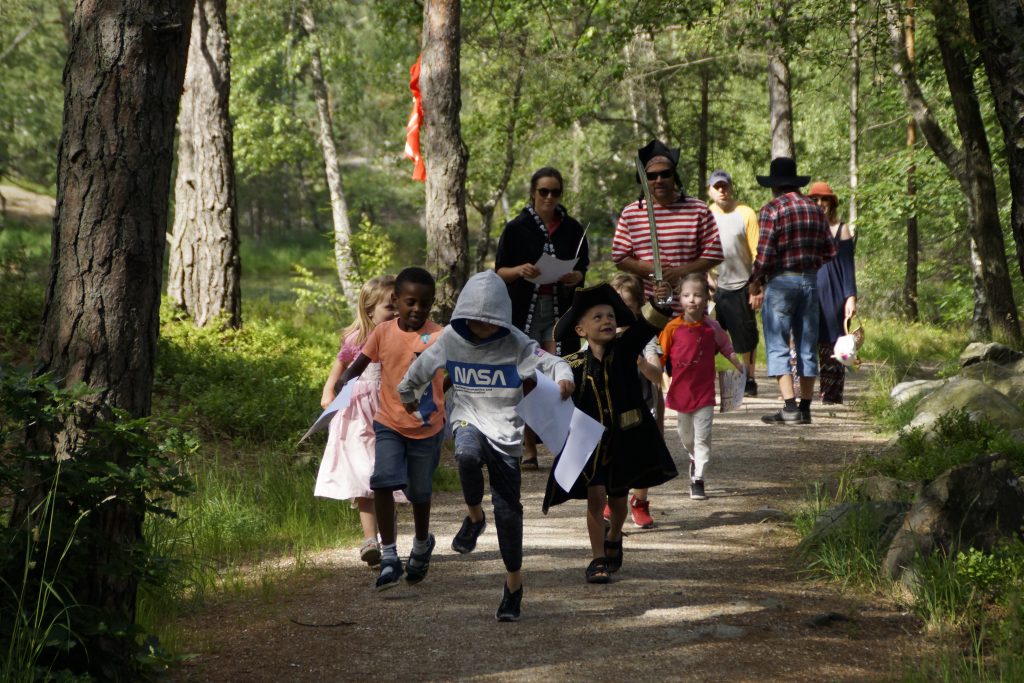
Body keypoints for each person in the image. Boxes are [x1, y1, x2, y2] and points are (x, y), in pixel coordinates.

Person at [398, 270, 574, 622]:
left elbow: (550, 361)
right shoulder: (451, 338)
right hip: (468, 417)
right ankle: (475, 516)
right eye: (475, 321)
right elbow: (422, 367)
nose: (481, 328)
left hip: (506, 434)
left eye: (489, 322)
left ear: (501, 321)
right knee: (465, 454)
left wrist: (564, 377)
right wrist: (407, 393)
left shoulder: (515, 342)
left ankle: (513, 585)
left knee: (509, 512)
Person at [543, 283, 677, 584]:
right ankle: (597, 558)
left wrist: (661, 299)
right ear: (580, 330)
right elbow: (548, 393)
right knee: (595, 497)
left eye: (610, 316)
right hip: (588, 445)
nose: (606, 321)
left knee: (617, 501)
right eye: (597, 317)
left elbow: (648, 323)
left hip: (624, 442)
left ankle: (615, 534)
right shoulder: (571, 365)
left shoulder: (626, 348)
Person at [335, 267, 446, 591]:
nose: (417, 310)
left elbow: (452, 372)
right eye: (410, 302)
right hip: (388, 423)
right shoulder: (382, 332)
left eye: (424, 304)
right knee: (382, 481)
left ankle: (422, 543)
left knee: (419, 493)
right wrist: (343, 384)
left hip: (426, 429)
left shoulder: (440, 336)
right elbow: (358, 364)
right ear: (396, 301)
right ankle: (389, 556)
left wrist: (438, 396)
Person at [495, 167, 589, 469]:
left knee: (561, 372)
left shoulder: (572, 229)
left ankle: (563, 442)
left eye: (555, 192)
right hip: (524, 312)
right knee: (528, 376)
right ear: (533, 193)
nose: (549, 197)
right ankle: (529, 446)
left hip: (561, 310)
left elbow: (581, 268)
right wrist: (520, 270)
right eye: (543, 192)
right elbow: (500, 272)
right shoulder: (516, 228)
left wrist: (576, 276)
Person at [315, 275, 400, 566]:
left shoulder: (400, 335)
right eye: (390, 307)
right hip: (357, 415)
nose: (397, 313)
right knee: (364, 477)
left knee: (386, 477)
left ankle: (390, 543)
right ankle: (369, 540)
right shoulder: (355, 339)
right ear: (369, 309)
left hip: (388, 411)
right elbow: (339, 365)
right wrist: (329, 390)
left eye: (399, 306)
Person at [748, 158, 836, 425]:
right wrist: (809, 266)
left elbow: (764, 255)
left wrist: (755, 281)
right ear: (795, 183)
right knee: (807, 346)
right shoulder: (815, 209)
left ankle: (789, 408)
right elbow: (830, 252)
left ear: (774, 186)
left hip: (781, 282)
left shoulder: (771, 210)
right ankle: (806, 408)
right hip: (810, 281)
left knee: (778, 345)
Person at [612, 139, 723, 315]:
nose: (659, 180)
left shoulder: (698, 209)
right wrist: (649, 269)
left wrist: (680, 271)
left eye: (665, 174)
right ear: (644, 180)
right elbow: (619, 257)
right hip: (649, 312)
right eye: (652, 176)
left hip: (691, 311)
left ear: (674, 176)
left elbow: (715, 254)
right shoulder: (631, 213)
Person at [659, 274, 744, 500]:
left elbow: (726, 346)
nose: (692, 300)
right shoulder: (672, 328)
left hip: (705, 392)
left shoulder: (712, 327)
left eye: (697, 295)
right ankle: (693, 457)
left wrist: (737, 363)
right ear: (680, 298)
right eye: (687, 295)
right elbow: (660, 355)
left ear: (706, 298)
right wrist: (654, 373)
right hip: (681, 392)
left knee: (703, 436)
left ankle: (698, 479)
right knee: (686, 436)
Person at [608, 273, 664, 528]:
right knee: (613, 454)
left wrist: (639, 361)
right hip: (612, 407)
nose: (619, 313)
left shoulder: (645, 337)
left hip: (643, 406)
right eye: (614, 307)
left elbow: (657, 374)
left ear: (638, 307)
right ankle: (615, 496)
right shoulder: (601, 337)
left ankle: (639, 502)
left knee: (643, 456)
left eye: (627, 306)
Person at [707, 169, 761, 397]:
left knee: (746, 336)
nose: (722, 190)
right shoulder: (706, 214)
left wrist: (756, 284)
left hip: (742, 284)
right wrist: (705, 278)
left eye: (725, 186)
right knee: (710, 337)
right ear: (709, 190)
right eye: (717, 187)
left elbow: (757, 250)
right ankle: (712, 381)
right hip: (714, 286)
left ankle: (749, 378)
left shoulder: (745, 213)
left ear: (731, 187)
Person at [806, 181, 857, 404]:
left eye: (824, 199)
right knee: (804, 344)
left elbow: (848, 267)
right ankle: (800, 397)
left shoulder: (841, 229)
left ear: (831, 203)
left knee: (833, 346)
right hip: (808, 292)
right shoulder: (805, 229)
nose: (820, 204)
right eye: (815, 200)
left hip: (834, 294)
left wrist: (851, 297)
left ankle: (831, 396)